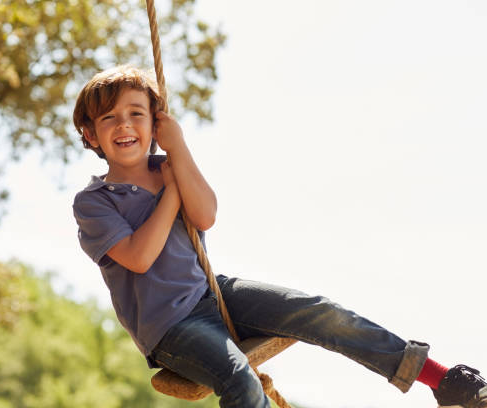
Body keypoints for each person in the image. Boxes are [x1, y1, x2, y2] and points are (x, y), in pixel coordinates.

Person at [71, 65, 487, 408]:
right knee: (241, 382)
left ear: (155, 123)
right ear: (91, 135)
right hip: (170, 327)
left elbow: (206, 215)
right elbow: (140, 257)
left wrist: (179, 151)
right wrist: (171, 189)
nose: (124, 125)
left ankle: (441, 381)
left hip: (213, 293)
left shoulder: (171, 164)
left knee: (319, 310)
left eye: (136, 113)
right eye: (109, 118)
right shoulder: (94, 202)